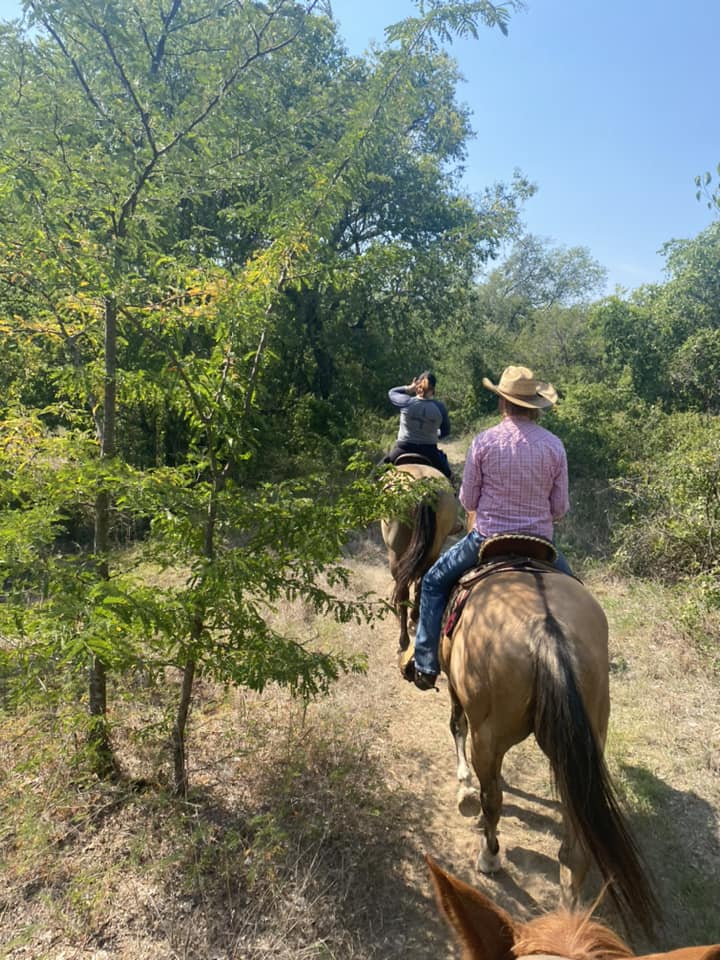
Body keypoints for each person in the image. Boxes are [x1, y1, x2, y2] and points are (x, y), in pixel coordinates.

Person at [402, 364, 573, 691]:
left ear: (502, 402)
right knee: (576, 589)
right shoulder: (554, 446)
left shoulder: (484, 442)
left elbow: (468, 500)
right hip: (540, 545)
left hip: (486, 541)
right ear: (534, 405)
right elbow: (559, 510)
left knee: (435, 580)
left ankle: (425, 663)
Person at [382, 370, 453, 480]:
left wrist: (408, 388)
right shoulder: (440, 407)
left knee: (376, 474)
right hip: (429, 451)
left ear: (417, 386)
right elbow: (446, 431)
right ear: (433, 389)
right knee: (449, 477)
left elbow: (392, 392)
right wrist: (434, 434)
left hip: (403, 448)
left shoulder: (406, 402)